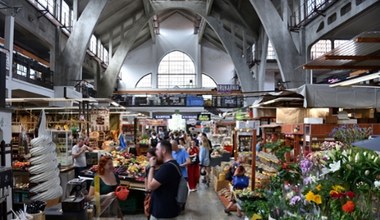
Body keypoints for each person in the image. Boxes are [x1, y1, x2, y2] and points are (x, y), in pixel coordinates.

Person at [147, 140, 181, 219]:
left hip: (163, 212)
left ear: (163, 150)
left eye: (157, 150)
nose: (156, 152)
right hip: (166, 209)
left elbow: (150, 186)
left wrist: (152, 166)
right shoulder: (172, 164)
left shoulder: (167, 168)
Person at [144, 148, 157, 220]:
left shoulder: (156, 167)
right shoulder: (148, 166)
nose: (148, 159)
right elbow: (146, 178)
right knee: (148, 209)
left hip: (155, 191)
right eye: (147, 157)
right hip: (149, 192)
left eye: (149, 157)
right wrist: (147, 190)